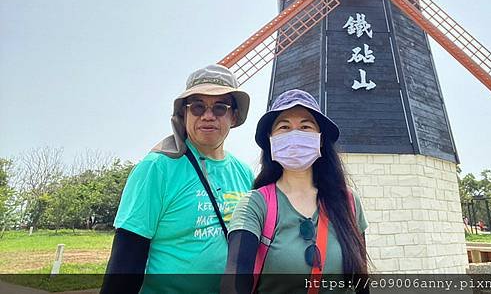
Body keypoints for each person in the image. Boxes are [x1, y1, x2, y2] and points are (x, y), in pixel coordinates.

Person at [101, 64, 254, 294]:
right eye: (198, 107)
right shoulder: (157, 168)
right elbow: (126, 259)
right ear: (184, 113)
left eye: (220, 108)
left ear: (233, 116)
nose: (208, 116)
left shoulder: (244, 173)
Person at [222, 89, 368, 294]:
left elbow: (361, 281)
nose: (295, 134)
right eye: (284, 126)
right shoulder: (254, 205)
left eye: (306, 126)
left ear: (320, 138)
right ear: (270, 139)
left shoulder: (349, 202)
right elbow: (234, 285)